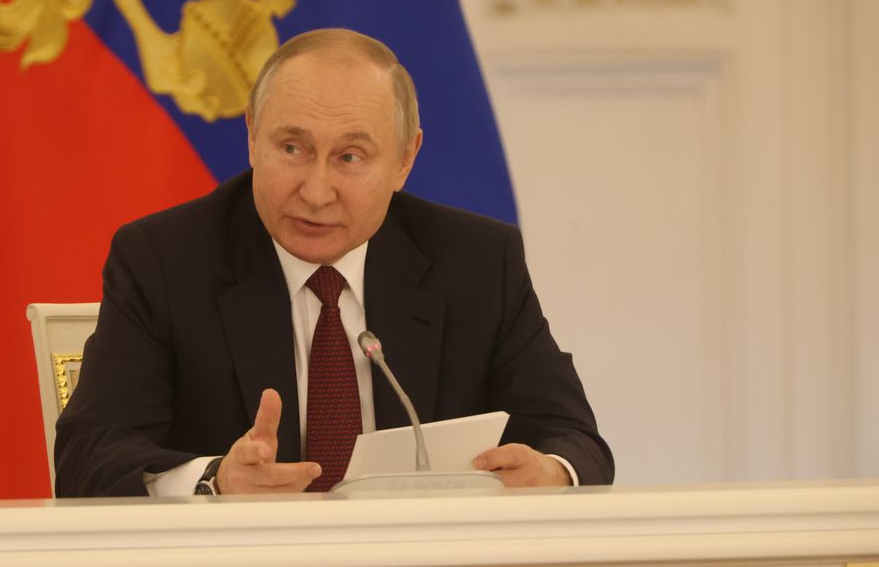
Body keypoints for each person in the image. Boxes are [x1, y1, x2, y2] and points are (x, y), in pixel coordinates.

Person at [54, 28, 614, 497]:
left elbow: (575, 441)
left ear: (404, 160)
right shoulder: (163, 260)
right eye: (292, 149)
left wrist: (548, 473)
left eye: (350, 157)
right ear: (252, 136)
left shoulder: (475, 262)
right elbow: (88, 456)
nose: (316, 192)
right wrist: (214, 483)